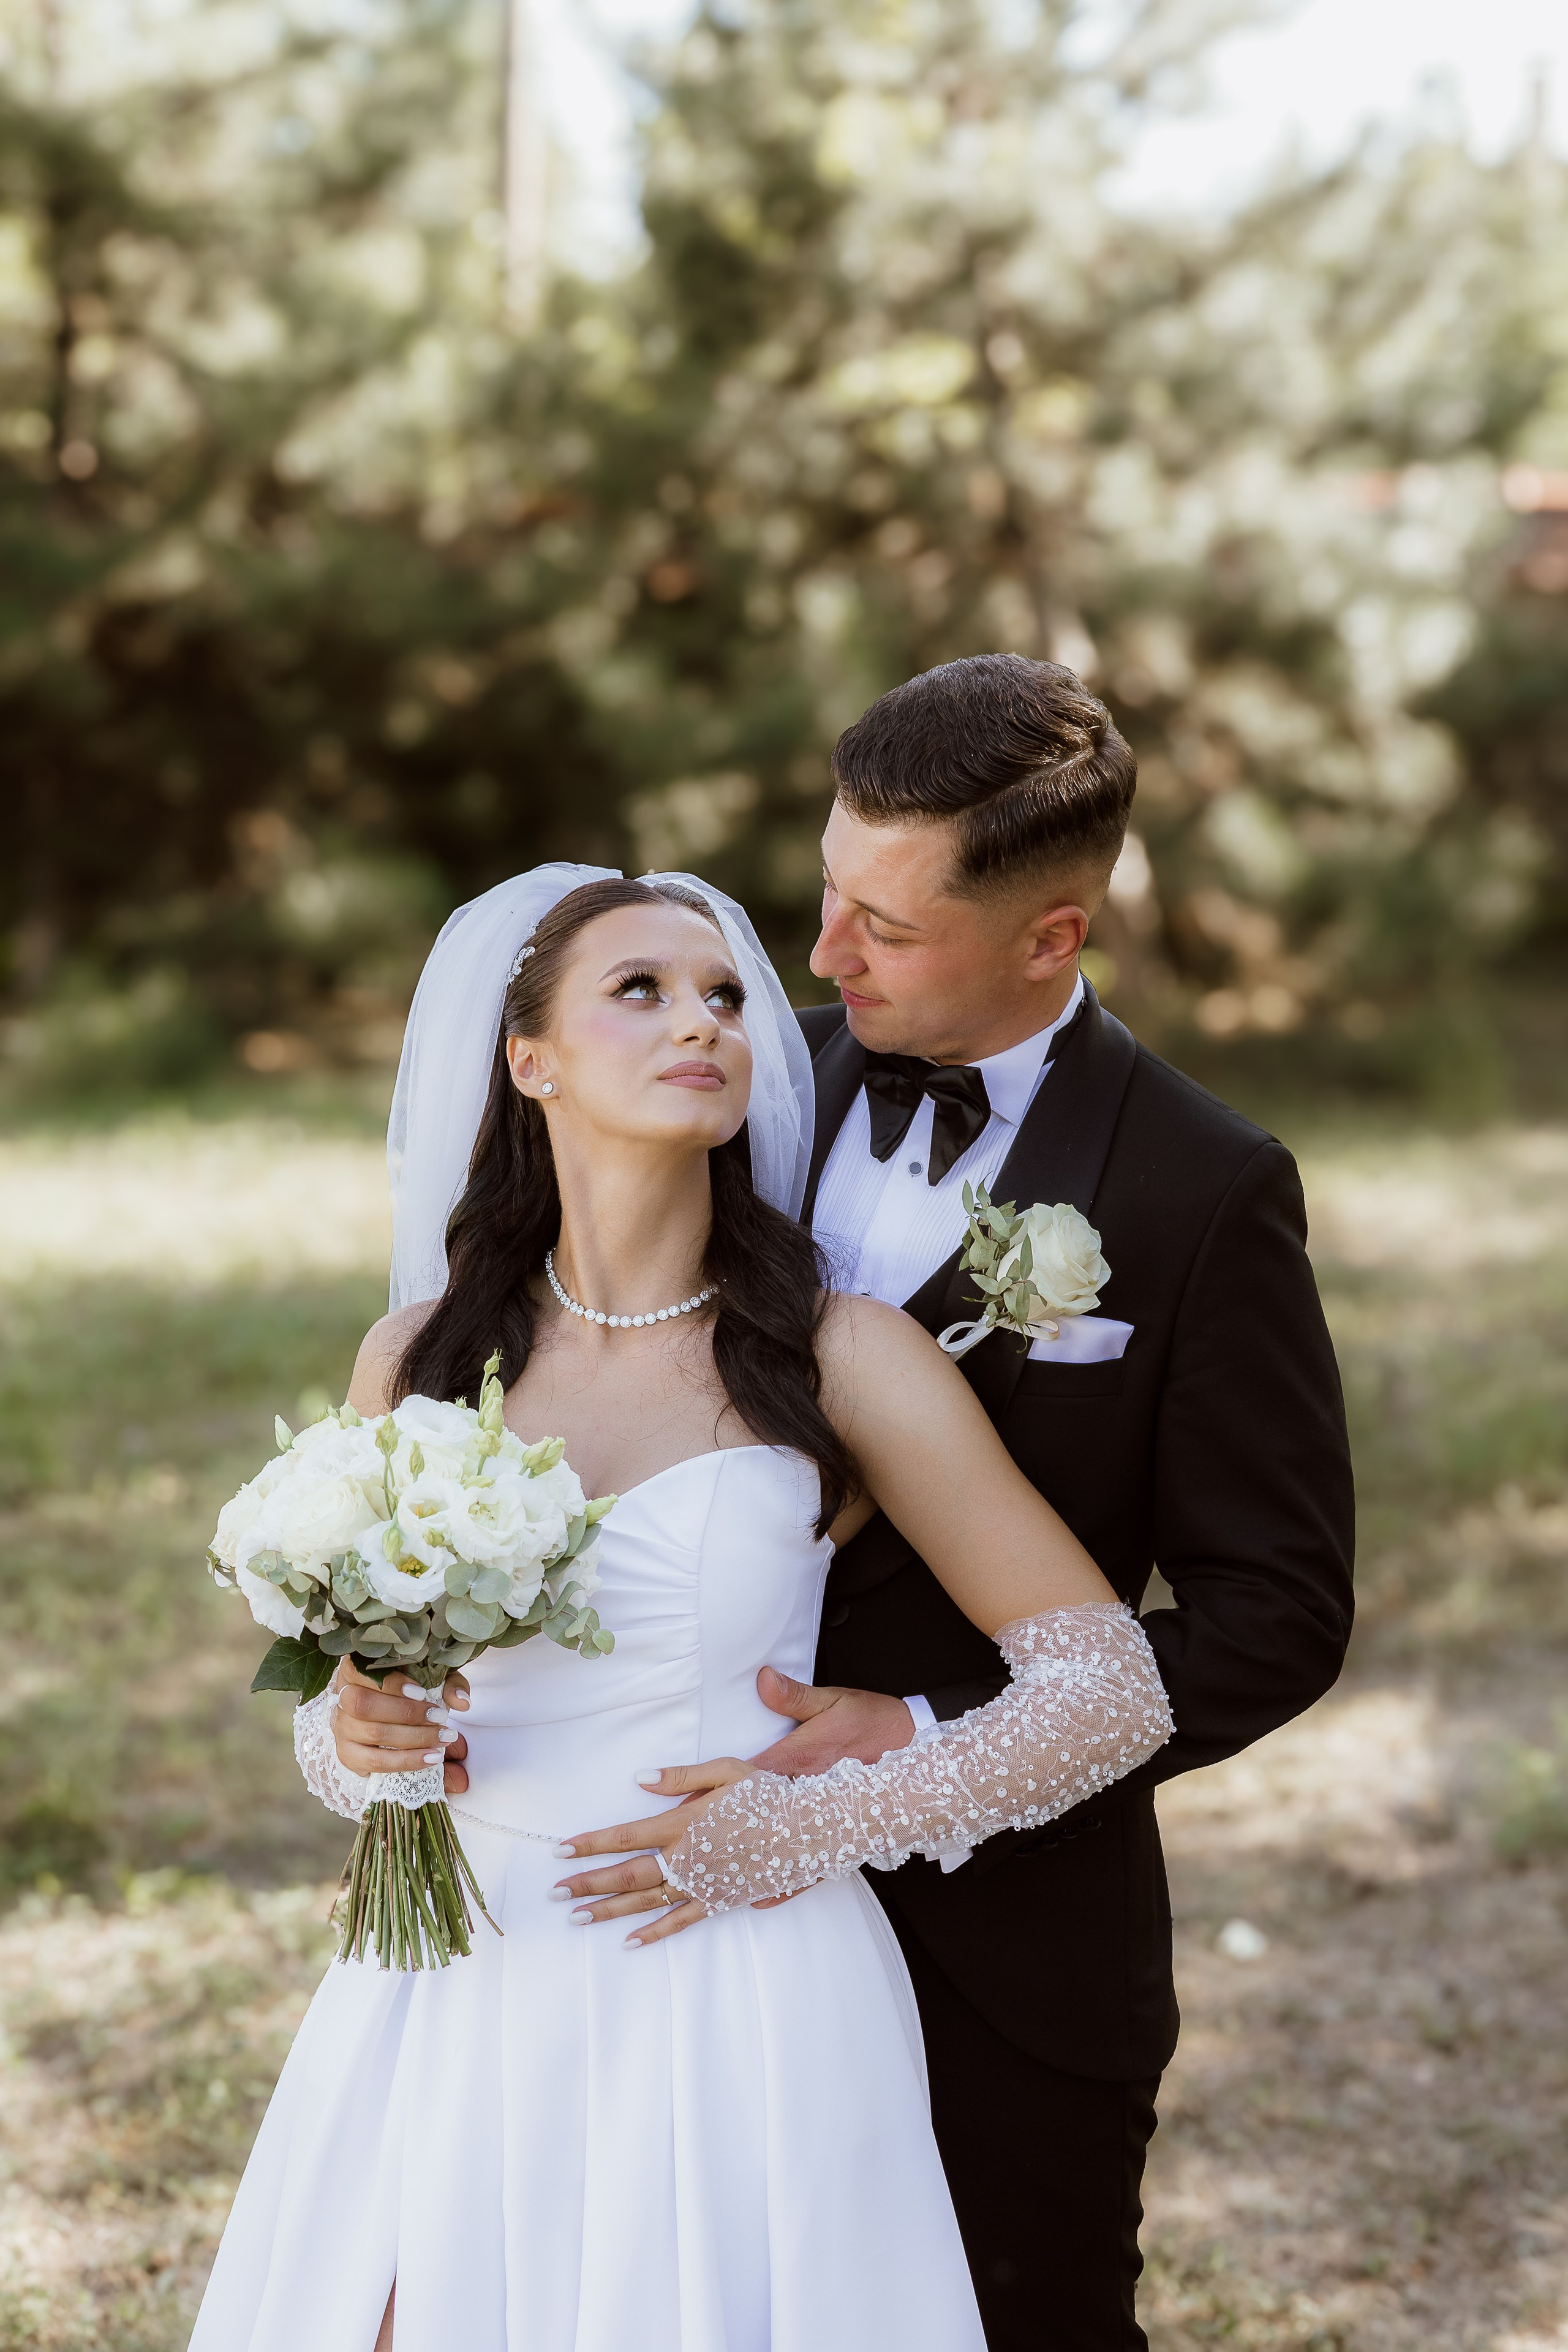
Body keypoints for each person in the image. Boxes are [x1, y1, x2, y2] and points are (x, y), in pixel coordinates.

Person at [189, 864, 1174, 2352]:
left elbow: (1107, 1688)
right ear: (530, 1060)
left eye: (721, 994)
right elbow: (353, 1720)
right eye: (639, 990)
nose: (702, 1021)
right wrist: (359, 1733)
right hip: (457, 1967)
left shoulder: (836, 1354)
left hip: (730, 1976)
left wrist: (812, 1825)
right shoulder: (418, 1356)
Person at [567, 655, 1355, 2349]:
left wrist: (927, 1735)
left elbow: (1278, 1615)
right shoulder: (748, 1090)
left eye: (885, 928)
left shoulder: (1201, 1189)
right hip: (679, 1910)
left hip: (1009, 1935)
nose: (821, 959)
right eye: (826, 895)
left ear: (1050, 938)